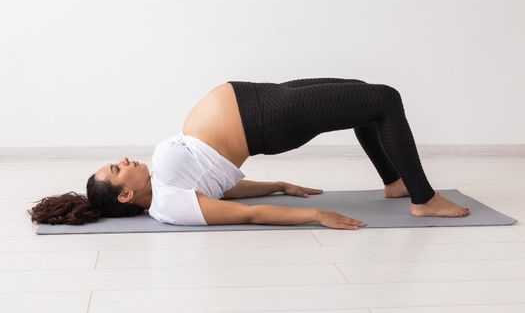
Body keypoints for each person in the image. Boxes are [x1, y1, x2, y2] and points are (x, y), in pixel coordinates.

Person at [28, 78, 470, 230]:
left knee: (361, 93)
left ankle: (394, 182)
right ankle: (422, 199)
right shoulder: (168, 206)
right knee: (384, 99)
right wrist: (317, 216)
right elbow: (247, 215)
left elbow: (223, 191)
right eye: (117, 169)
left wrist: (277, 184)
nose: (124, 160)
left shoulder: (167, 188)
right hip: (265, 119)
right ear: (125, 196)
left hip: (259, 99)